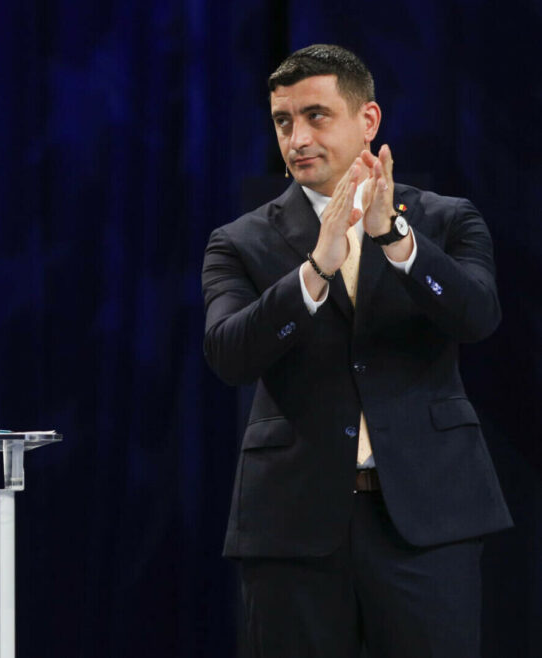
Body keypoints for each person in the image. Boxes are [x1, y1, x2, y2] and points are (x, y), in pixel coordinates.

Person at [202, 44, 510, 656]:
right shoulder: (238, 241)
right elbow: (228, 355)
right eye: (283, 121)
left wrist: (394, 238)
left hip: (427, 520)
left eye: (316, 116)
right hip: (293, 525)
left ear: (367, 120)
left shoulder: (446, 220)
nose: (296, 138)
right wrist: (315, 269)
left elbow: (478, 317)